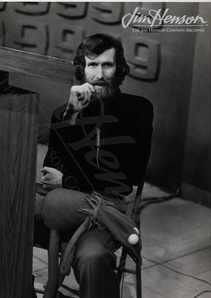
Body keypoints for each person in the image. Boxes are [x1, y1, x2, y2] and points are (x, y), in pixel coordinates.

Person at [34, 33, 153, 298]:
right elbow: (49, 172)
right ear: (82, 69)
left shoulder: (138, 110)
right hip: (67, 203)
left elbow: (124, 178)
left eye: (107, 65)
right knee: (2, 219)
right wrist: (73, 116)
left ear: (119, 69)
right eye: (92, 65)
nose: (99, 74)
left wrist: (67, 181)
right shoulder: (65, 113)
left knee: (91, 257)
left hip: (108, 207)